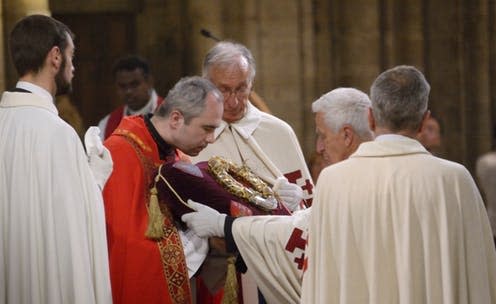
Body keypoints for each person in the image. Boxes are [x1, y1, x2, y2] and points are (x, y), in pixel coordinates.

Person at [301, 65, 496, 303]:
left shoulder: (333, 182)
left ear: (370, 117)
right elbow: (479, 275)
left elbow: (321, 277)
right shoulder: (455, 181)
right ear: (424, 121)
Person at [182, 87, 373, 303]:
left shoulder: (341, 177)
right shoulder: (389, 170)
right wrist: (296, 208)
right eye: (224, 89)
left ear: (347, 135)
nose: (318, 147)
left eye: (322, 135)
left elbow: (305, 233)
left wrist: (223, 225)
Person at [0, 14, 112, 304]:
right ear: (55, 57)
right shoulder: (58, 134)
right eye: (72, 58)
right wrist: (96, 178)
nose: (73, 68)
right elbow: (72, 234)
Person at [191, 41, 314, 303]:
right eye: (224, 90)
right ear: (207, 86)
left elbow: (310, 214)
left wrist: (296, 202)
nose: (234, 101)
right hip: (218, 275)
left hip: (275, 271)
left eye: (241, 89)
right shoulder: (192, 135)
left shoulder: (279, 132)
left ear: (252, 84)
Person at [102, 76, 224, 304]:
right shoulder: (118, 154)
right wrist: (203, 239)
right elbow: (126, 247)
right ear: (176, 118)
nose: (211, 138)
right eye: (207, 128)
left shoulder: (178, 156)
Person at [98, 54, 164, 139]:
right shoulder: (107, 124)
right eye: (122, 86)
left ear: (149, 82)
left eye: (134, 84)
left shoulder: (170, 115)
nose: (128, 91)